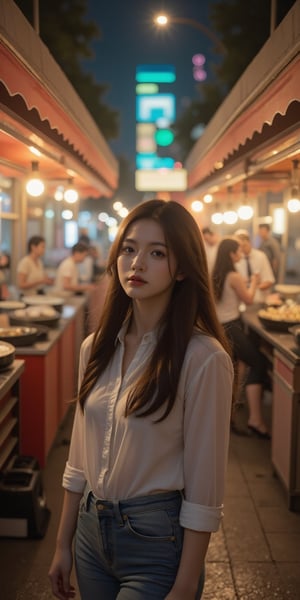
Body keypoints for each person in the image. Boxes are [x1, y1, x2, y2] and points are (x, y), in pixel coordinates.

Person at [48, 199, 234, 600]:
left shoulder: (204, 359)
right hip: (89, 536)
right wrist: (62, 544)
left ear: (182, 268)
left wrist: (185, 584)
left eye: (157, 253)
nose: (137, 263)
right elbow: (79, 460)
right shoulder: (94, 348)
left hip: (156, 541)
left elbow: (205, 488)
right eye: (129, 249)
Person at [212, 237, 270, 439]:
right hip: (232, 326)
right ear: (231, 254)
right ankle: (255, 419)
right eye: (238, 251)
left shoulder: (218, 273)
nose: (241, 254)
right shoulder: (234, 275)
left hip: (221, 326)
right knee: (257, 362)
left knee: (235, 370)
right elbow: (249, 298)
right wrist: (254, 282)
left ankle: (229, 417)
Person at [234, 229, 275, 304]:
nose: (242, 249)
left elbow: (269, 280)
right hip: (241, 303)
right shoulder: (236, 259)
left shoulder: (261, 256)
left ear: (250, 242)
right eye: (240, 247)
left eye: (244, 245)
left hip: (259, 300)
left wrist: (254, 285)